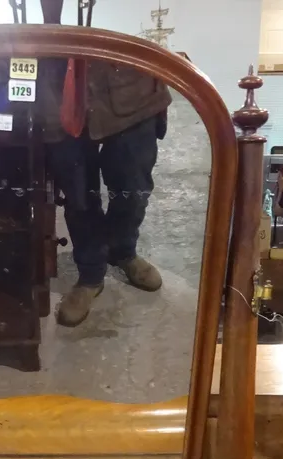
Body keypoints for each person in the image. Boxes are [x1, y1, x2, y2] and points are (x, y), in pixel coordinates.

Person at [41, 60, 171, 326]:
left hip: (129, 87)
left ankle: (122, 250)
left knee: (133, 189)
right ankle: (91, 274)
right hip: (57, 88)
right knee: (79, 196)